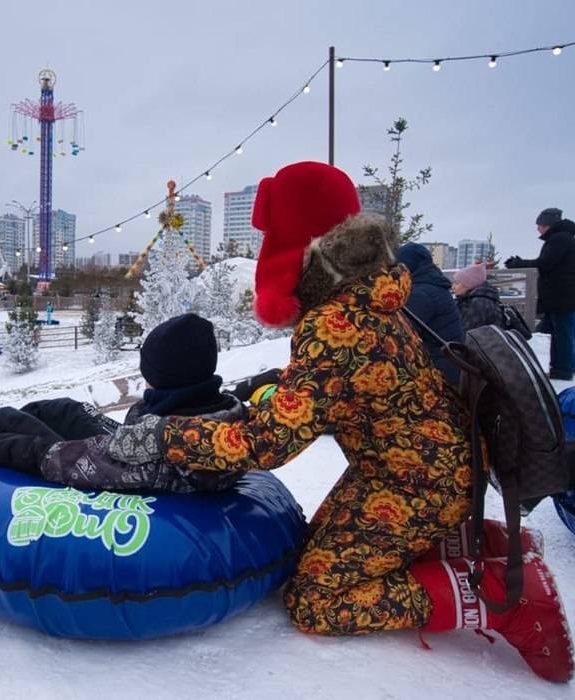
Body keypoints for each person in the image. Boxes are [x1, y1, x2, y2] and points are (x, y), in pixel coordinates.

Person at [44, 162, 570, 682]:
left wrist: (164, 437)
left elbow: (265, 444)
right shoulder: (371, 297)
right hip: (430, 466)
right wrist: (270, 381)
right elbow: (342, 380)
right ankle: (493, 547)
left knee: (315, 597)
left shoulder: (336, 323)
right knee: (313, 548)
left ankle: (500, 600)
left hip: (415, 482)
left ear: (301, 245)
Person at [0, 313, 247, 501]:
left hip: (130, 466)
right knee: (64, 408)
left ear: (170, 378)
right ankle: (21, 421)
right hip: (137, 447)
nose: (147, 383)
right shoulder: (216, 410)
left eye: (151, 375)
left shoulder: (168, 442)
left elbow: (72, 461)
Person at [505, 208, 575, 380]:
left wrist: (518, 264)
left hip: (561, 297)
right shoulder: (564, 238)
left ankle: (562, 369)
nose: (538, 229)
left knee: (562, 334)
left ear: (547, 224)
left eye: (539, 225)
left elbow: (545, 263)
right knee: (557, 332)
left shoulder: (560, 239)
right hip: (560, 296)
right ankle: (561, 367)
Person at [396, 242, 464, 385]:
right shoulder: (432, 285)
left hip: (439, 373)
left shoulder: (422, 294)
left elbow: (399, 331)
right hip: (451, 365)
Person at [451, 262, 503, 331]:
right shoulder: (466, 299)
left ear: (469, 284)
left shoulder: (479, 304)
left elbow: (468, 334)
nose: (453, 287)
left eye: (457, 283)